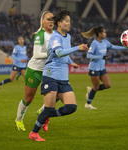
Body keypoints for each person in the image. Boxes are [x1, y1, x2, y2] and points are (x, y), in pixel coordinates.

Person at [29, 9, 88, 141]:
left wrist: (71, 62)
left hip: (63, 77)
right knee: (49, 107)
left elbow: (64, 54)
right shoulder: (55, 37)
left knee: (71, 107)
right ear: (59, 23)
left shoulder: (69, 37)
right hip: (51, 75)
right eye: (67, 21)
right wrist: (77, 48)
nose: (69, 24)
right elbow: (59, 53)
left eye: (70, 21)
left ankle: (48, 116)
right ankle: (34, 133)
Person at [15, 11, 79, 132]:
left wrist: (70, 62)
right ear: (42, 21)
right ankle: (19, 119)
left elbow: (62, 51)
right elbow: (37, 54)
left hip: (50, 71)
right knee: (28, 99)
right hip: (35, 70)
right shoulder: (40, 35)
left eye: (52, 19)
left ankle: (44, 112)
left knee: (59, 94)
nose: (51, 22)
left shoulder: (57, 34)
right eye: (48, 19)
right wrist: (53, 53)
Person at [81, 26, 127, 109]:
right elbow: (88, 55)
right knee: (96, 87)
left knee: (108, 85)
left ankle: (90, 90)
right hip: (94, 68)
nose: (105, 33)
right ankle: (88, 104)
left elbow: (114, 47)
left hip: (102, 68)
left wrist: (126, 47)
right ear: (99, 34)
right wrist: (100, 57)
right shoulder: (94, 43)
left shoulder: (105, 42)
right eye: (104, 32)